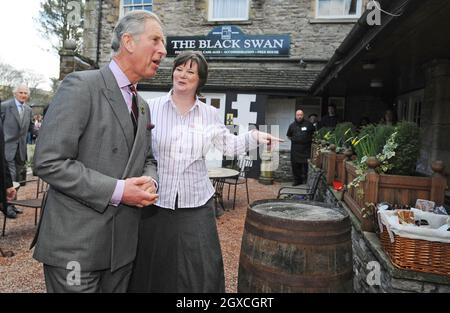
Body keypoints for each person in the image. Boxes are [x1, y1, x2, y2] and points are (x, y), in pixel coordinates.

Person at [31, 10, 166, 293]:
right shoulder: (82, 86)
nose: (163, 51)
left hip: (122, 250)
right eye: (155, 40)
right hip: (77, 246)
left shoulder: (142, 105)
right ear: (128, 41)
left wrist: (149, 181)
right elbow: (48, 161)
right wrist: (119, 190)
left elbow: (148, 158)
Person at [128, 51, 281, 293]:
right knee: (153, 263)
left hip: (196, 200)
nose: (182, 75)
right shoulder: (150, 107)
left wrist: (255, 136)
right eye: (179, 68)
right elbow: (137, 148)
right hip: (156, 199)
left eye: (190, 71)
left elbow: (229, 145)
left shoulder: (209, 114)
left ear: (200, 80)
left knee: (200, 266)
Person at [1, 84, 33, 215]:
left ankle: (13, 204)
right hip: (7, 147)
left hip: (21, 149)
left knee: (18, 178)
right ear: (15, 93)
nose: (23, 95)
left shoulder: (29, 110)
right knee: (11, 177)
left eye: (25, 93)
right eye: (21, 92)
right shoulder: (4, 106)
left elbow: (31, 127)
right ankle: (6, 206)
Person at [287, 110, 315, 186]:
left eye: (301, 115)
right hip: (295, 149)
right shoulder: (292, 125)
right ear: (295, 115)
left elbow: (314, 134)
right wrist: (295, 140)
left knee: (306, 166)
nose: (299, 116)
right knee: (295, 166)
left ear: (303, 115)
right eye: (298, 115)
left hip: (306, 148)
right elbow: (288, 136)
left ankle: (306, 180)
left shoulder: (309, 124)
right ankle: (297, 181)